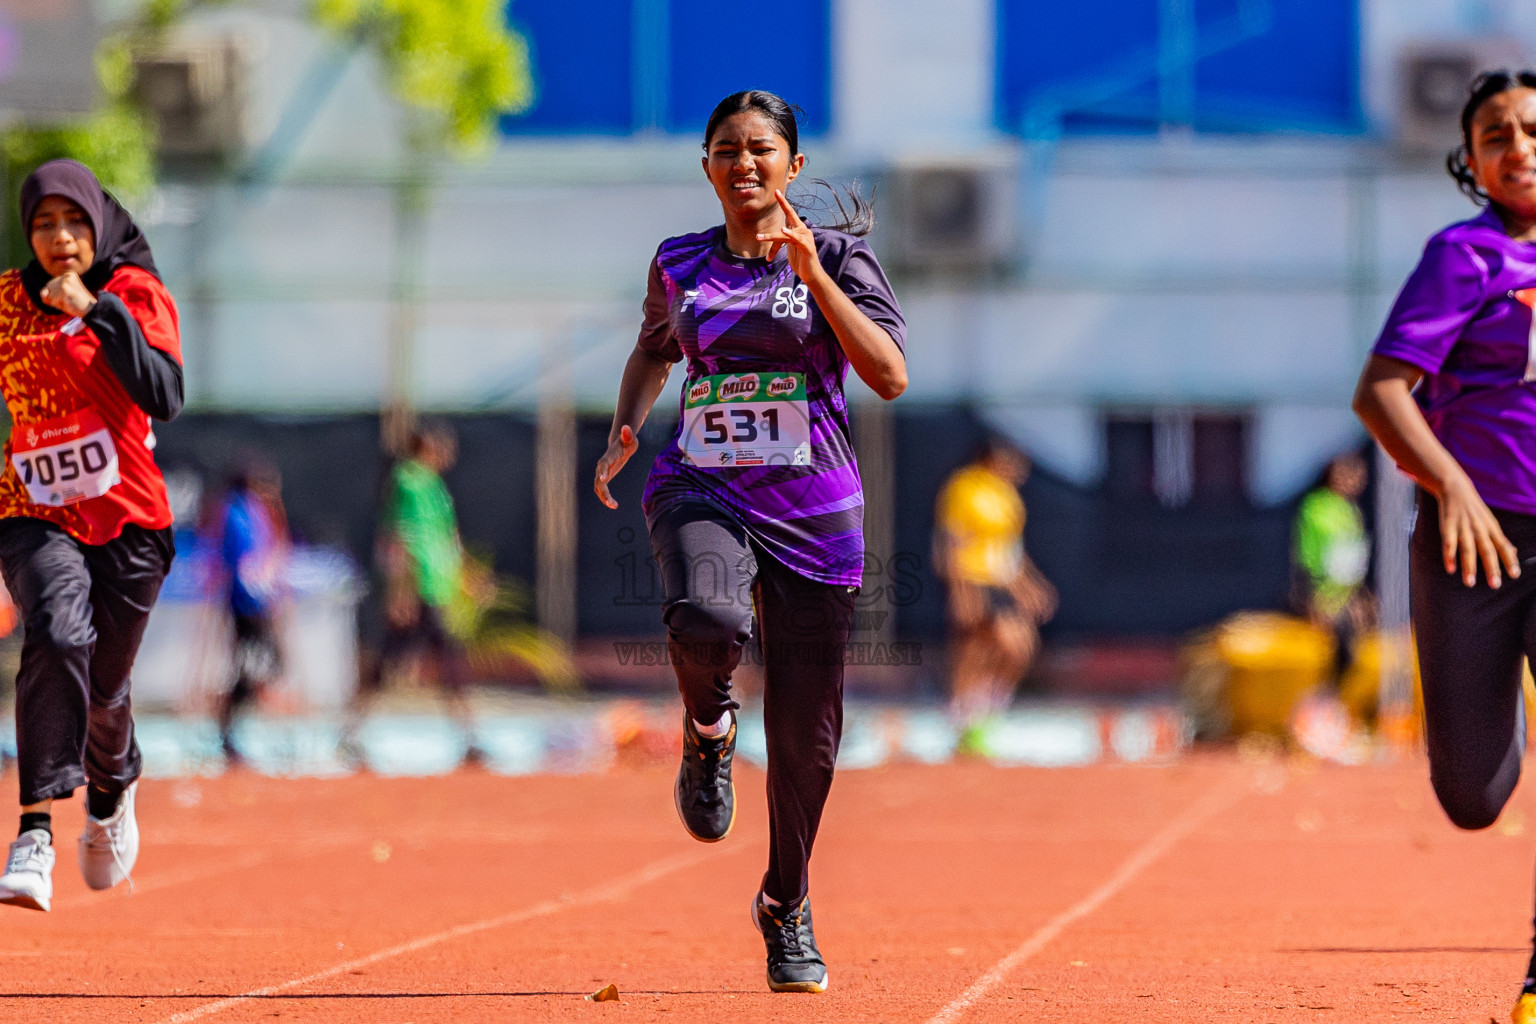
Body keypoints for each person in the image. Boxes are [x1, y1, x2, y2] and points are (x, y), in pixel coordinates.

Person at [593, 89, 906, 994]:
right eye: (726, 149)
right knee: (704, 614)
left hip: (814, 512)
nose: (744, 163)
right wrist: (625, 427)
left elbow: (888, 374)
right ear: (707, 167)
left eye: (761, 148)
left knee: (807, 732)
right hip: (704, 483)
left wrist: (812, 274)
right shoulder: (680, 262)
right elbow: (656, 349)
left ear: (793, 166)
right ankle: (707, 728)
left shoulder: (841, 256)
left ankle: (786, 901)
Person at [1352, 70, 1536, 1024]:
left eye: (1533, 129)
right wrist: (1453, 486)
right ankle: (1500, 732)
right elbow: (1380, 392)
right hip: (1479, 540)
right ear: (1471, 161)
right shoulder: (1462, 256)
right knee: (1473, 794)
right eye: (1497, 135)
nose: (1520, 147)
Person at [0, 159, 183, 911]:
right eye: (43, 224)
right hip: (35, 512)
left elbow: (165, 396)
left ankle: (112, 786)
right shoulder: (8, 303)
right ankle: (34, 831)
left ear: (98, 225)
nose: (59, 237)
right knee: (55, 629)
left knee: (105, 691)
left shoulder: (135, 294)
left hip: (131, 523)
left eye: (73, 222)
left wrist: (97, 310)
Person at [340, 421, 482, 766]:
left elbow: (445, 539)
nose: (450, 452)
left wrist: (465, 577)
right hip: (417, 589)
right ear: (428, 446)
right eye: (444, 445)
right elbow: (400, 537)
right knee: (430, 660)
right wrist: (400, 592)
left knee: (429, 661)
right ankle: (350, 733)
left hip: (434, 587)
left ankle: (351, 733)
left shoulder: (434, 485)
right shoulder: (408, 480)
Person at [934, 437, 1056, 751]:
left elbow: (1010, 550)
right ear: (992, 460)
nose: (1018, 469)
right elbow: (952, 540)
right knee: (976, 650)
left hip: (1001, 582)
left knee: (1020, 648)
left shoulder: (1009, 496)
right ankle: (963, 723)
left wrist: (1030, 585)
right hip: (973, 579)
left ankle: (986, 715)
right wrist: (960, 590)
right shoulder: (965, 487)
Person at [212, 459, 289, 764]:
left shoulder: (257, 511)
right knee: (259, 664)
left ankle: (239, 725)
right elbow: (244, 564)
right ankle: (231, 728)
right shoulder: (238, 510)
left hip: (255, 601)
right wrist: (262, 599)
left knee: (263, 665)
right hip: (247, 605)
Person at [1291, 451, 1373, 682]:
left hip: (1347, 593)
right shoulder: (1315, 506)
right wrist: (1312, 596)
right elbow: (1307, 556)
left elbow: (1354, 559)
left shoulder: (1351, 510)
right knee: (1340, 637)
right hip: (1322, 593)